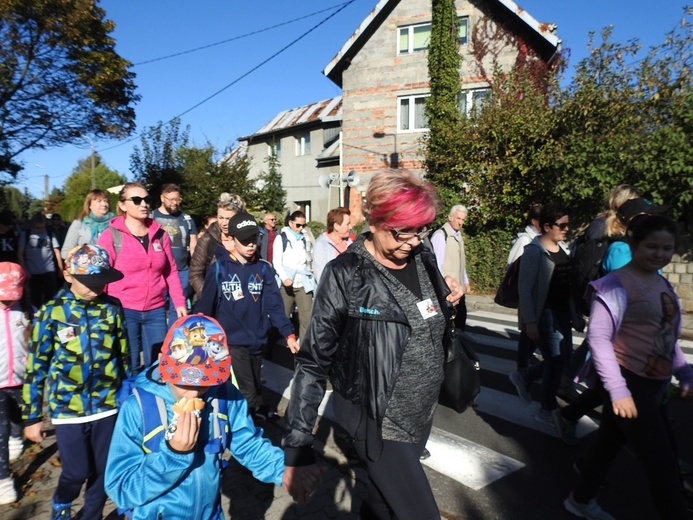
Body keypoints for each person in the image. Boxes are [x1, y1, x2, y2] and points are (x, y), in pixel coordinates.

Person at [282, 168, 464, 519]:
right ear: (375, 220)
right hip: (377, 420)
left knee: (381, 504)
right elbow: (313, 360)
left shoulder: (422, 255)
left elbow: (427, 317)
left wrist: (450, 297)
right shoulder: (346, 274)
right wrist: (298, 446)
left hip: (420, 412)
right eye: (402, 232)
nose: (413, 242)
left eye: (420, 230)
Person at [104, 314, 315, 519]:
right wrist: (173, 455)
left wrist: (283, 470)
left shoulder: (224, 394)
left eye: (204, 383)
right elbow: (121, 488)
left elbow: (249, 445)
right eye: (184, 382)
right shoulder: (138, 408)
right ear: (162, 363)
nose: (194, 393)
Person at [564, 215, 693, 520]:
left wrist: (684, 372)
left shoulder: (660, 281)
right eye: (652, 246)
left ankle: (580, 499)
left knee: (608, 443)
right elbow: (598, 338)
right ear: (634, 244)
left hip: (652, 383)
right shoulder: (614, 285)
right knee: (661, 460)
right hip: (628, 382)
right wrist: (618, 390)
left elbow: (664, 335)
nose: (660, 253)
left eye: (667, 248)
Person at [22, 244, 130, 520]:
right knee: (76, 471)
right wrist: (32, 416)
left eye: (102, 281)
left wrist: (129, 393)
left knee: (104, 471)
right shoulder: (51, 313)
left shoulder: (112, 308)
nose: (98, 287)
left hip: (107, 405)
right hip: (67, 409)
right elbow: (36, 367)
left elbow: (123, 355)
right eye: (90, 282)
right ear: (68, 275)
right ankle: (61, 501)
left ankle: (91, 515)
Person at [195, 213, 299, 421]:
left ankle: (246, 419)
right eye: (244, 240)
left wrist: (288, 334)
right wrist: (198, 334)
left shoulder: (263, 269)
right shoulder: (219, 268)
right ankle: (245, 434)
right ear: (232, 239)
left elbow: (275, 305)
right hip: (231, 342)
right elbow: (205, 306)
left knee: (254, 382)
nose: (251, 244)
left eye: (254, 238)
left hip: (258, 339)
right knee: (246, 391)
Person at [98, 182, 186, 372]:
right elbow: (102, 275)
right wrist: (102, 309)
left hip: (155, 310)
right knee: (129, 364)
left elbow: (170, 270)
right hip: (123, 309)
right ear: (122, 205)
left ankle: (151, 400)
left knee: (157, 364)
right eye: (136, 200)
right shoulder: (111, 236)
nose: (144, 204)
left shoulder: (160, 235)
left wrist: (179, 302)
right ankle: (129, 400)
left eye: (147, 200)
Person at [511, 203, 580, 425]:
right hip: (546, 314)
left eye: (568, 224)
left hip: (562, 313)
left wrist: (575, 314)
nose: (567, 229)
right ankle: (546, 407)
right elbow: (525, 289)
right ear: (547, 226)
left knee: (563, 358)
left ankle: (525, 376)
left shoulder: (563, 250)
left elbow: (566, 286)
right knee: (556, 361)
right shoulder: (534, 251)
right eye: (563, 225)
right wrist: (530, 321)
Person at [0, 262, 30, 505]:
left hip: (22, 377)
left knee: (20, 416)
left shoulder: (25, 309)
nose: (8, 302)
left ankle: (18, 436)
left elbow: (34, 336)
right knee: (0, 430)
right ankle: (3, 480)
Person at [152, 183, 198, 324]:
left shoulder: (187, 220)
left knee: (178, 308)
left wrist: (195, 269)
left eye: (177, 199)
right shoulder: (150, 218)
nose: (174, 203)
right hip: (158, 272)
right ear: (162, 198)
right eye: (171, 199)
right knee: (158, 307)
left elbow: (194, 245)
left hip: (181, 271)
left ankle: (173, 339)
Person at [505, 205, 542, 374]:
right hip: (527, 293)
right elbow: (512, 265)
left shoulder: (538, 240)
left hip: (537, 295)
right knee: (529, 332)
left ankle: (524, 364)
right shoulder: (525, 240)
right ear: (534, 221)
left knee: (533, 333)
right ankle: (522, 367)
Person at [189, 193, 245, 298]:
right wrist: (209, 296)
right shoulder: (207, 240)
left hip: (241, 302)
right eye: (220, 217)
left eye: (228, 219)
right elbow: (195, 274)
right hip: (216, 303)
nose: (224, 223)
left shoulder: (246, 239)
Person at [272, 210, 315, 342]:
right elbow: (276, 262)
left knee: (306, 317)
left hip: (302, 281)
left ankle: (304, 345)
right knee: (282, 315)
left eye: (303, 225)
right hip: (287, 282)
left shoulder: (305, 238)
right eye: (298, 225)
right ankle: (275, 343)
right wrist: (284, 277)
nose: (301, 228)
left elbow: (310, 257)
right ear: (290, 223)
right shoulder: (281, 238)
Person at [430, 205, 471, 331]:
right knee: (448, 328)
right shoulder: (441, 236)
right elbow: (436, 266)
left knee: (460, 324)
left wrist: (465, 282)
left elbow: (461, 263)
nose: (460, 222)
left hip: (459, 290)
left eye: (463, 220)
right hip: (448, 292)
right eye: (458, 218)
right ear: (450, 217)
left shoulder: (458, 236)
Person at [18, 212, 63, 309]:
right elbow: (20, 253)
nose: (40, 230)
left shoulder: (50, 234)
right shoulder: (26, 234)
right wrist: (25, 270)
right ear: (32, 225)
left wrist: (60, 268)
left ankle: (50, 315)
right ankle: (37, 315)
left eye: (42, 227)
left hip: (49, 270)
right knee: (35, 298)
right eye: (37, 228)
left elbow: (56, 251)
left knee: (51, 296)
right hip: (33, 271)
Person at [60, 189, 115, 259]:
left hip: (110, 267)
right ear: (89, 205)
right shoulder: (79, 223)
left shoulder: (114, 223)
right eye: (99, 201)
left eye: (106, 201)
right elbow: (65, 253)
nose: (104, 204)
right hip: (85, 267)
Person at [313, 207, 352, 283]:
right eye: (347, 224)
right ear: (336, 226)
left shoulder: (350, 243)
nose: (350, 227)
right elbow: (321, 277)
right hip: (331, 292)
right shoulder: (321, 245)